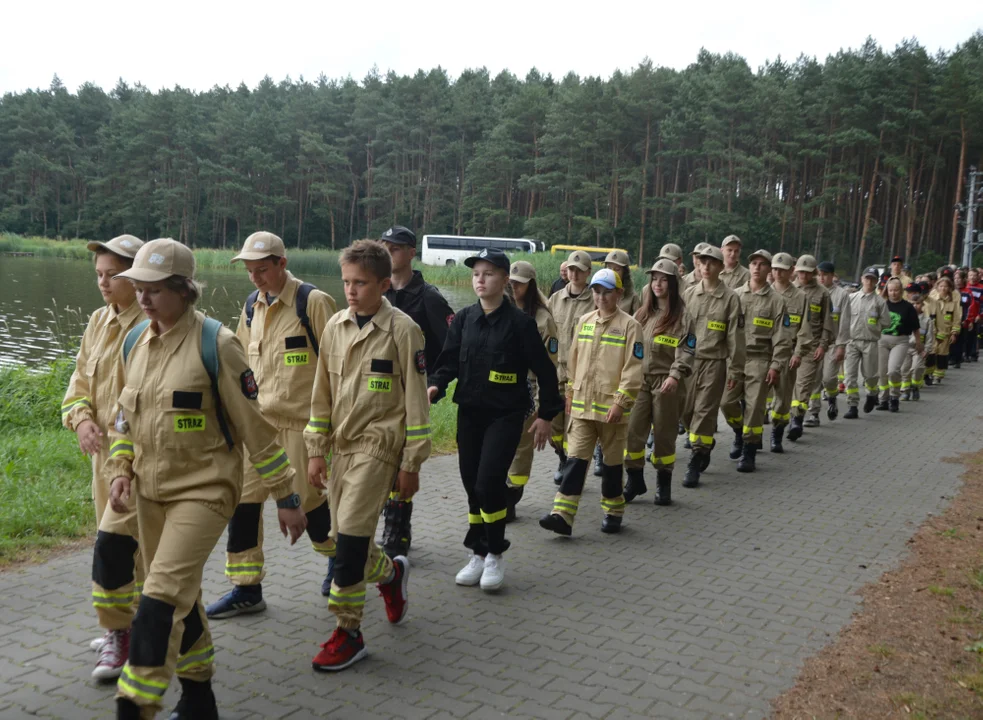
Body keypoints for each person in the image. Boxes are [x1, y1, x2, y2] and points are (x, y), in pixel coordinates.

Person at [106, 239, 306, 719]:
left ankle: (136, 703)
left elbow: (256, 430)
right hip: (150, 496)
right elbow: (122, 420)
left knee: (157, 601)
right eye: (138, 287)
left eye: (154, 288)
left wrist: (286, 496)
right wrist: (120, 470)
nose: (144, 297)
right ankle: (199, 700)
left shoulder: (216, 344)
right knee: (183, 598)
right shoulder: (133, 341)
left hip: (205, 491)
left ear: (183, 290)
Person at [305, 240, 430, 671]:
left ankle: (348, 631)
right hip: (341, 448)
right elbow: (321, 397)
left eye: (360, 283)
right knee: (343, 539)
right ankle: (392, 576)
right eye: (346, 282)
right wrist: (315, 450)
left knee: (352, 538)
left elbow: (416, 403)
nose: (351, 291)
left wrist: (411, 463)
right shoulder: (334, 327)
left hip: (379, 448)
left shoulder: (404, 330)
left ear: (382, 284)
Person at [206, 232, 337, 619]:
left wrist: (325, 433)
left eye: (261, 269)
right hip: (259, 428)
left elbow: (337, 366)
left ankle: (339, 559)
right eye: (249, 271)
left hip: (301, 426)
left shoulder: (312, 303)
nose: (255, 278)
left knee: (310, 508)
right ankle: (246, 589)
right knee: (242, 505)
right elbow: (241, 363)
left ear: (282, 263)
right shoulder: (252, 306)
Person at [428, 248, 561, 589]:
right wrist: (435, 387)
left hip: (505, 415)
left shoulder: (521, 324)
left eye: (488, 274)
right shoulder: (463, 320)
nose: (480, 279)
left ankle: (494, 555)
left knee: (489, 483)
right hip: (470, 413)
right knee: (472, 485)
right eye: (476, 274)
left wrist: (546, 415)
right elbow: (448, 363)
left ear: (504, 280)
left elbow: (546, 373)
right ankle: (477, 552)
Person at [61, 234, 145, 681]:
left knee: (124, 548)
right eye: (98, 275)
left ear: (136, 276)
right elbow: (78, 384)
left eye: (113, 275)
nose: (103, 283)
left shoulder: (150, 325)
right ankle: (127, 627)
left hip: (137, 459)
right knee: (114, 541)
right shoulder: (97, 321)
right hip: (102, 459)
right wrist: (81, 420)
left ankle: (125, 633)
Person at [540, 268, 642, 535]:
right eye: (597, 291)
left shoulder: (631, 327)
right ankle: (562, 515)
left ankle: (613, 511)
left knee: (611, 465)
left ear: (619, 293)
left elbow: (633, 370)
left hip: (612, 411)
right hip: (583, 408)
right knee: (575, 460)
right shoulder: (584, 321)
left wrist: (621, 402)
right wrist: (571, 394)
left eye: (608, 292)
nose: (601, 297)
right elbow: (573, 362)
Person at [379, 225, 454, 559]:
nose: (389, 252)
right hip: (375, 394)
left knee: (401, 463)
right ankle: (381, 525)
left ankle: (397, 535)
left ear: (411, 252)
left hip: (413, 396)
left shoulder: (430, 298)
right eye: (384, 247)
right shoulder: (375, 294)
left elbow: (451, 348)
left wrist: (436, 383)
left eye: (395, 248)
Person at [623, 259, 694, 505]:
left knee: (664, 435)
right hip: (640, 381)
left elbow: (687, 349)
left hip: (667, 384)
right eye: (654, 279)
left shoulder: (683, 316)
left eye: (664, 279)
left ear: (673, 284)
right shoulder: (642, 313)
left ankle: (663, 483)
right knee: (632, 431)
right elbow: (628, 345)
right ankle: (634, 478)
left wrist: (675, 375)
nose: (658, 284)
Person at [720, 249, 792, 472]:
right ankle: (740, 433)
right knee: (726, 402)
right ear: (749, 267)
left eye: (762, 264)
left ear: (769, 269)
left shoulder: (777, 301)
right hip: (734, 360)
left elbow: (783, 338)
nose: (757, 267)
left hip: (760, 359)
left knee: (754, 407)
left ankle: (749, 451)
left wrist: (776, 365)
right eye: (754, 263)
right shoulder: (735, 295)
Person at [680, 245, 743, 486]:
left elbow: (735, 338)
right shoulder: (688, 294)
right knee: (685, 411)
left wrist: (735, 369)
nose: (706, 266)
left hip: (715, 362)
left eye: (712, 262)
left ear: (720, 266)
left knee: (704, 412)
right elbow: (681, 331)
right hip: (688, 361)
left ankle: (696, 457)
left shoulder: (730, 297)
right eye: (702, 262)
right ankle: (704, 443)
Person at [505, 261, 559, 521]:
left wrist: (541, 404)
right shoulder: (500, 310)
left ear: (531, 285)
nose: (514, 287)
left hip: (530, 388)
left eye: (519, 283)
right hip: (503, 388)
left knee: (521, 446)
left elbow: (549, 367)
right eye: (511, 282)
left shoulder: (542, 319)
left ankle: (513, 494)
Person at [546, 250, 596, 482]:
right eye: (571, 269)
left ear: (588, 273)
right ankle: (561, 455)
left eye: (580, 270)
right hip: (556, 372)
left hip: (581, 374)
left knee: (575, 424)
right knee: (555, 424)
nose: (574, 274)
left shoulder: (595, 302)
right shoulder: (555, 299)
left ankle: (571, 464)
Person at [768, 253, 812, 452]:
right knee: (757, 398)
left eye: (783, 269)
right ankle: (750, 437)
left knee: (783, 398)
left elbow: (804, 330)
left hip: (787, 353)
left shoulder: (801, 298)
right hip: (764, 352)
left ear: (791, 271)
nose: (778, 273)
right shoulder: (764, 293)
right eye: (775, 269)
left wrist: (798, 353)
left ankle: (777, 434)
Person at [835, 266, 891, 418]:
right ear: (861, 279)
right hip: (852, 341)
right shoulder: (851, 298)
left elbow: (887, 322)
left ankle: (872, 393)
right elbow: (844, 318)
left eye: (872, 279)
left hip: (870, 341)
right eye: (867, 278)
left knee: (870, 375)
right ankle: (852, 405)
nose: (869, 281)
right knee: (850, 376)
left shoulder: (879, 302)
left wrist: (874, 326)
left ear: (876, 281)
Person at [789, 255, 834, 435]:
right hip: (789, 343)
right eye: (801, 272)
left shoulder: (822, 293)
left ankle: (797, 419)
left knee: (804, 383)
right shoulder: (789, 290)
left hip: (811, 345)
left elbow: (827, 323)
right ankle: (783, 417)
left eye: (808, 273)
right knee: (788, 385)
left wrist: (823, 345)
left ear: (814, 273)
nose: (804, 276)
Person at [876, 277, 922, 412]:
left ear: (901, 291)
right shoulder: (882, 305)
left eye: (896, 290)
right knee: (882, 372)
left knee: (893, 370)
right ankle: (883, 399)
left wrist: (918, 342)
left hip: (900, 341)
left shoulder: (908, 307)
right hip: (882, 340)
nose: (893, 293)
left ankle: (894, 397)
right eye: (890, 290)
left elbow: (916, 327)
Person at [811, 261, 850, 421]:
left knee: (828, 378)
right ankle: (813, 413)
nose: (821, 278)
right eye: (819, 274)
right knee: (814, 378)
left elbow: (845, 322)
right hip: (814, 342)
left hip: (833, 343)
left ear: (832, 276)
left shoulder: (841, 295)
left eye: (825, 274)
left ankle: (832, 396)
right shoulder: (812, 292)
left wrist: (841, 346)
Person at [900, 283, 932, 400]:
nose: (915, 306)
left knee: (917, 369)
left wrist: (927, 350)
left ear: (922, 304)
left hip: (919, 349)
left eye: (918, 303)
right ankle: (906, 391)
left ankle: (915, 386)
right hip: (905, 348)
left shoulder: (927, 320)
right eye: (913, 304)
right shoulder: (904, 317)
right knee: (905, 370)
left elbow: (930, 337)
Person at [928, 275, 960, 384]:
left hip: (945, 332)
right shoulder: (932, 299)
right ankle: (929, 373)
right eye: (941, 286)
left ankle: (939, 375)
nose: (943, 289)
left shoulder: (953, 303)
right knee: (931, 353)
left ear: (950, 288)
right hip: (932, 331)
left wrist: (954, 332)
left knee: (942, 354)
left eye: (946, 287)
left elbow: (956, 319)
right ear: (937, 287)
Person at [951, 271, 979, 368]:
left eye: (959, 278)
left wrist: (967, 320)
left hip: (962, 320)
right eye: (955, 278)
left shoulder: (967, 292)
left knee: (960, 340)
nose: (957, 281)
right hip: (950, 320)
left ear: (963, 279)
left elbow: (971, 307)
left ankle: (958, 359)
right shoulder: (951, 292)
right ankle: (951, 358)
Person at [604, 250, 640, 315]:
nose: (612, 272)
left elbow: (637, 323)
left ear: (625, 272)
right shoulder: (597, 294)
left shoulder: (633, 297)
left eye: (617, 269)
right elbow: (591, 320)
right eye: (609, 268)